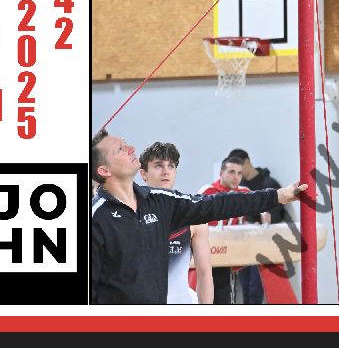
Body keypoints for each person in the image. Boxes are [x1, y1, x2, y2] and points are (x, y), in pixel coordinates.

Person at [91, 131, 306, 304]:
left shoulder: (161, 201)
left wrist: (277, 196)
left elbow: (219, 204)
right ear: (104, 170)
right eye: (121, 149)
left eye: (127, 144)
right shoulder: (96, 218)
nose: (131, 148)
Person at [138, 140, 213, 304]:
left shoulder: (193, 215)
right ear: (143, 174)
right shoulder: (130, 213)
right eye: (158, 165)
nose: (166, 171)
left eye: (171, 166)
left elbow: (204, 272)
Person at [227, 148, 287, 305]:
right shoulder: (239, 188)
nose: (237, 175)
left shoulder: (269, 184)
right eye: (233, 171)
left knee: (255, 291)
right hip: (244, 244)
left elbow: (278, 214)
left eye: (239, 170)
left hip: (263, 245)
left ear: (247, 162)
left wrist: (263, 220)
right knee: (245, 289)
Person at [202, 157, 255, 305]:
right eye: (231, 172)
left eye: (239, 173)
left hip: (228, 258)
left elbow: (259, 210)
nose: (236, 177)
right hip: (207, 257)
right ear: (221, 173)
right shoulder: (208, 192)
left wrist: (263, 215)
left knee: (225, 298)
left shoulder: (245, 193)